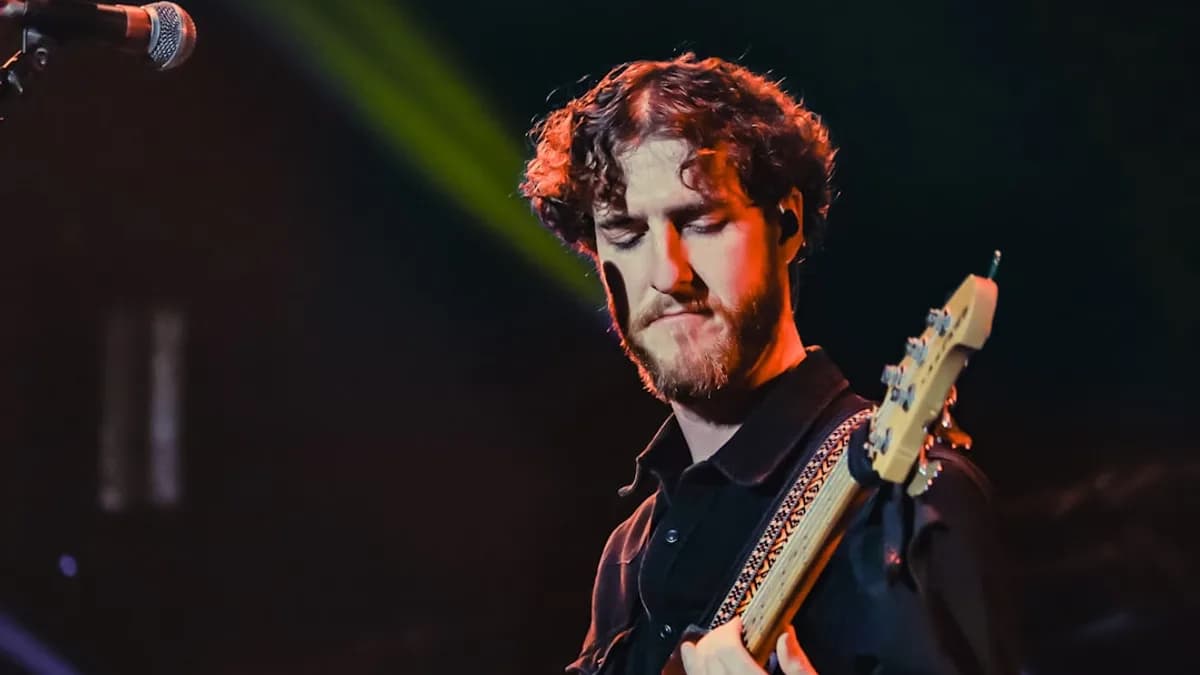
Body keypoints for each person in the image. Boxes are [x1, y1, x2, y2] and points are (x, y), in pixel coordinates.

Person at [520, 54, 1016, 675]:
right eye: (625, 234)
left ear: (786, 225)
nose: (667, 275)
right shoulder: (628, 556)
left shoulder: (908, 504)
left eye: (699, 221)